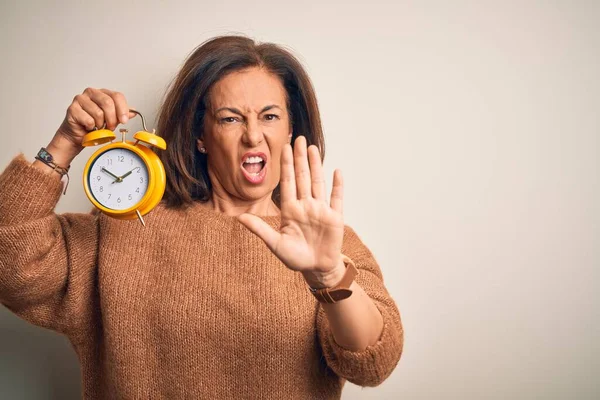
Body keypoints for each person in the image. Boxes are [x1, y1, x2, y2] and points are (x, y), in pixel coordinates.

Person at [0, 35, 403, 399]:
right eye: (230, 118)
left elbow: (372, 362)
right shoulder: (124, 227)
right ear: (200, 136)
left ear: (290, 128)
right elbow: (10, 260)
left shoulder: (329, 245)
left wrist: (328, 276)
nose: (252, 135)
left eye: (269, 116)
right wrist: (65, 142)